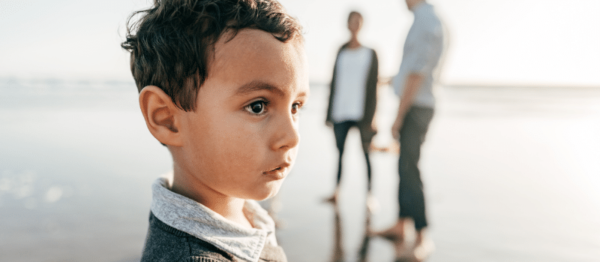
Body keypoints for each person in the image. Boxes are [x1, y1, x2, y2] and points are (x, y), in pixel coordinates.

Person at [120, 0, 308, 261]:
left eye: (296, 106)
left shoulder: (243, 212)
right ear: (166, 119)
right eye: (257, 106)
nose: (292, 137)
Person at [375, 0, 444, 258]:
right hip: (416, 103)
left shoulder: (426, 21)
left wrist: (399, 115)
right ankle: (401, 225)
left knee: (411, 167)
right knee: (404, 165)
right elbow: (411, 70)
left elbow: (418, 71)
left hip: (417, 106)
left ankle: (423, 234)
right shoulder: (424, 19)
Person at [325, 11, 379, 206]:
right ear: (347, 24)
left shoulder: (370, 53)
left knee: (366, 154)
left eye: (358, 21)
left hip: (362, 114)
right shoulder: (340, 50)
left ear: (362, 25)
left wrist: (373, 117)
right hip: (340, 111)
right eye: (351, 21)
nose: (354, 25)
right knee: (340, 154)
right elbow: (334, 83)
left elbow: (374, 88)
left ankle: (369, 196)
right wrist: (328, 114)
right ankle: (336, 191)